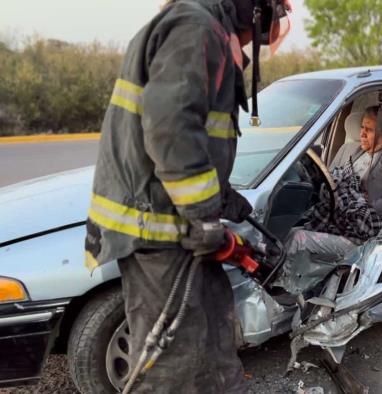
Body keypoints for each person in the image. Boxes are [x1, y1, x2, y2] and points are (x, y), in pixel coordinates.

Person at [84, 0, 290, 392]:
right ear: (254, 10)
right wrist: (203, 215)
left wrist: (224, 200)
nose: (282, 15)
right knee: (178, 370)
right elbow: (170, 128)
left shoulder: (206, 33)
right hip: (160, 237)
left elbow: (197, 137)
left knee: (211, 346)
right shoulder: (196, 29)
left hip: (177, 236)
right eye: (277, 9)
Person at [275, 106, 382, 294]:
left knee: (297, 238)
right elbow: (333, 183)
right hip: (337, 221)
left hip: (361, 233)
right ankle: (298, 282)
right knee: (284, 231)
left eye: (369, 130)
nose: (362, 133)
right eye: (362, 127)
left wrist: (363, 212)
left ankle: (283, 290)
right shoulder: (354, 150)